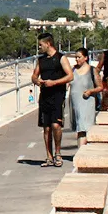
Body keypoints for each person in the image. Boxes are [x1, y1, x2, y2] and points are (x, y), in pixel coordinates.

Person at [30, 32, 72, 166]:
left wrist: (54, 83)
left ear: (48, 44)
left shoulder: (61, 58)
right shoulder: (41, 60)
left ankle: (58, 153)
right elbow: (34, 76)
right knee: (46, 128)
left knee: (56, 125)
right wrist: (38, 81)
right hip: (44, 96)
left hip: (57, 96)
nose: (39, 48)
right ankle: (48, 156)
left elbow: (70, 76)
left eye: (40, 45)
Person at [69, 48, 103, 142]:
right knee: (80, 129)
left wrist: (90, 91)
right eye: (75, 57)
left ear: (85, 58)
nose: (77, 59)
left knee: (85, 128)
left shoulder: (92, 70)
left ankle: (83, 151)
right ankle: (81, 151)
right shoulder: (72, 70)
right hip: (75, 103)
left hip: (87, 103)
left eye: (79, 57)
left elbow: (100, 87)